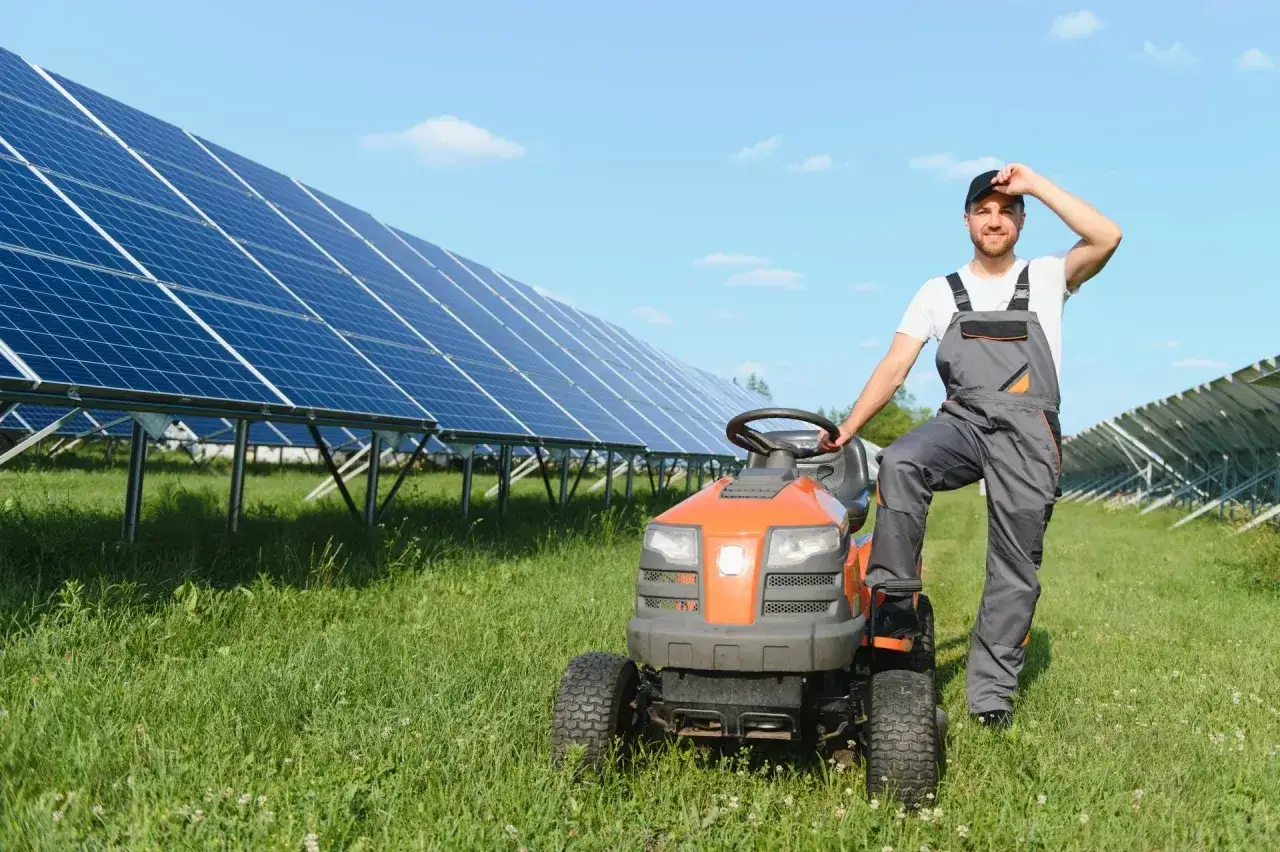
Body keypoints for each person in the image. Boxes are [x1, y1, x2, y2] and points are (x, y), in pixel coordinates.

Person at [818, 163, 1121, 728]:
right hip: (962, 423)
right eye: (983, 211)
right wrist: (849, 427)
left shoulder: (1048, 276)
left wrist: (1035, 184)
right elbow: (895, 367)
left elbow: (1108, 235)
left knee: (1014, 567)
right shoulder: (938, 292)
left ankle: (990, 698)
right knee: (902, 461)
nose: (994, 220)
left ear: (1022, 220)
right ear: (966, 221)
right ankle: (896, 606)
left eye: (1006, 211)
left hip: (1028, 434)